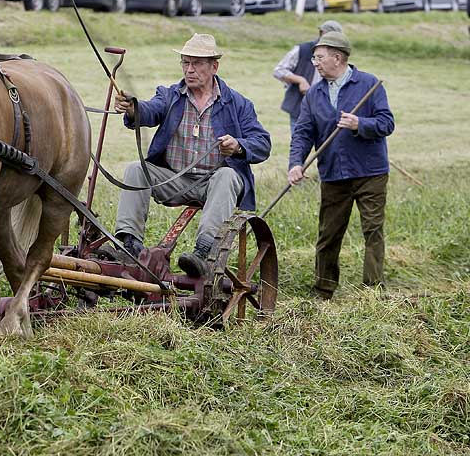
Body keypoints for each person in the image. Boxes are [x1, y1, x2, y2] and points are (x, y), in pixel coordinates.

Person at [109, 33, 271, 277]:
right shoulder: (170, 96)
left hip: (215, 184)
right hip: (174, 181)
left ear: (214, 66)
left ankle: (204, 252)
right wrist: (134, 108)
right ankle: (129, 245)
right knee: (135, 168)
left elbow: (262, 143)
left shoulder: (237, 103)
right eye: (185, 63)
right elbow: (151, 110)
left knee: (227, 175)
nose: (190, 69)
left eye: (196, 63)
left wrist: (238, 146)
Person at [288, 31, 394, 299]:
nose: (314, 62)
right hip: (334, 174)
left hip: (370, 173)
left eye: (319, 57)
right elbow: (303, 133)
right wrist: (296, 164)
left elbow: (386, 123)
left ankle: (373, 290)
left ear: (337, 58)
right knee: (329, 234)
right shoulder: (313, 94)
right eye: (314, 57)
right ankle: (323, 290)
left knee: (372, 230)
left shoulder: (369, 84)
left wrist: (361, 124)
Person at [273, 20, 342, 135]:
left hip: (326, 110)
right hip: (300, 108)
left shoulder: (337, 56)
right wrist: (300, 80)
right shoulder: (302, 49)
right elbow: (279, 70)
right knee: (299, 145)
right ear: (321, 33)